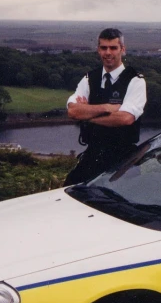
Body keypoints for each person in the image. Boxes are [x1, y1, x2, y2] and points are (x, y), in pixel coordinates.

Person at [63, 28, 147, 185]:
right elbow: (73, 111)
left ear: (123, 49)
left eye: (113, 48)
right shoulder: (89, 78)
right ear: (98, 50)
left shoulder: (135, 81)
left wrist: (88, 116)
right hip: (92, 155)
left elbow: (125, 118)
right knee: (68, 191)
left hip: (123, 160)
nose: (108, 53)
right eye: (103, 48)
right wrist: (107, 107)